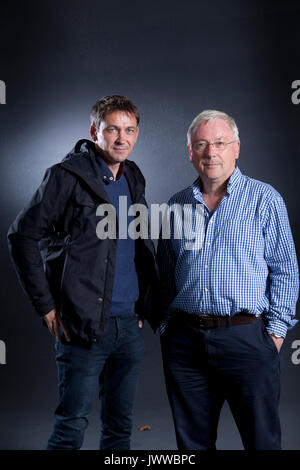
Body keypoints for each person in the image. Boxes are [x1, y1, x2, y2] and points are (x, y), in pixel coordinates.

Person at [8, 95, 158, 450]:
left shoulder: (133, 176)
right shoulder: (66, 176)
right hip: (83, 327)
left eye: (130, 129)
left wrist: (142, 306)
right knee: (71, 428)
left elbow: (136, 244)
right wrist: (46, 305)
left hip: (129, 329)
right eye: (112, 129)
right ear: (95, 131)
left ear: (137, 134)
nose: (121, 138)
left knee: (119, 431)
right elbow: (22, 236)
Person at [157, 109, 299, 450]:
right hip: (186, 345)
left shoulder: (265, 199)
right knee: (192, 447)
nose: (211, 152)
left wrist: (275, 334)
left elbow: (286, 269)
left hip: (247, 339)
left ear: (237, 147)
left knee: (262, 442)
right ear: (190, 153)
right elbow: (164, 271)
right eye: (202, 144)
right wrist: (167, 328)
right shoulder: (176, 205)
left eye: (220, 142)